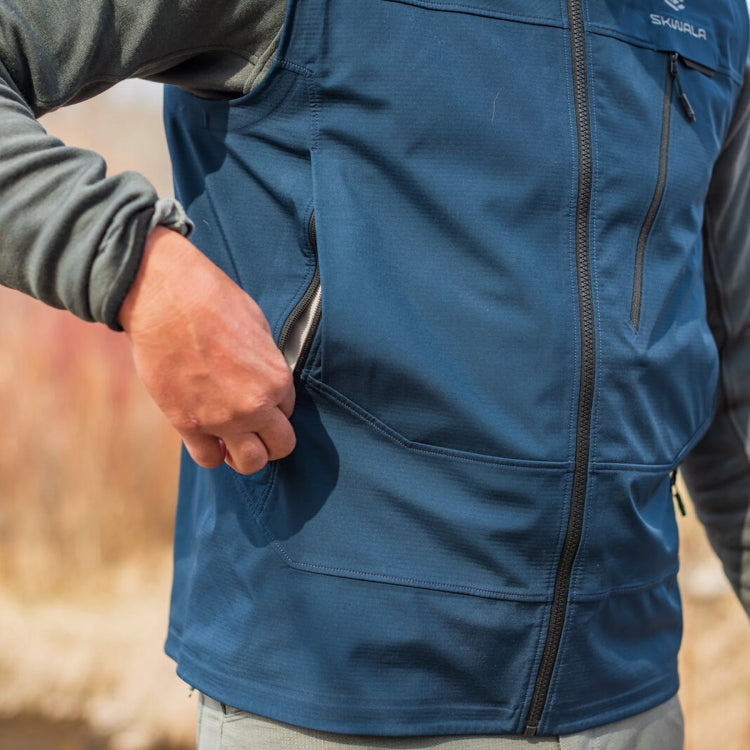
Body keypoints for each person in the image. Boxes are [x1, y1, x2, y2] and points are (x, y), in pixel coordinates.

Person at [1, 1, 749, 748]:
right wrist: (139, 269)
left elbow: (729, 350)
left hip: (629, 697)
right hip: (328, 693)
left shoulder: (713, 14)